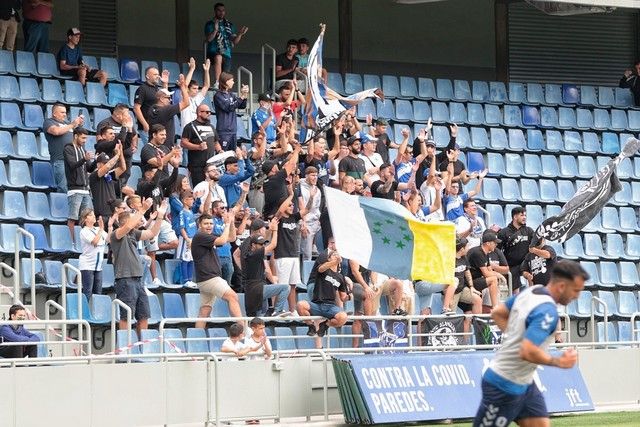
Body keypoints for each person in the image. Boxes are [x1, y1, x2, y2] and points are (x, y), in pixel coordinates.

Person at [473, 261, 588, 427]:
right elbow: (527, 351)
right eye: (576, 290)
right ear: (562, 286)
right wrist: (558, 362)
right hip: (504, 385)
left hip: (525, 384)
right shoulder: (547, 312)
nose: (577, 296)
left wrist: (514, 337)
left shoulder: (532, 291)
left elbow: (498, 313)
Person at [110, 199, 168, 333]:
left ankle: (142, 347)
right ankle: (125, 347)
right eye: (134, 218)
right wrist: (142, 209)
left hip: (138, 280)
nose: (139, 220)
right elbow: (128, 226)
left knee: (144, 315)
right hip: (125, 279)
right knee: (126, 316)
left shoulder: (133, 233)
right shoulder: (116, 234)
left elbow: (152, 233)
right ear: (125, 221)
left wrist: (160, 216)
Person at [191, 213, 242, 329]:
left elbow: (231, 238)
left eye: (211, 223)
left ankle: (196, 339)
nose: (209, 226)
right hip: (210, 278)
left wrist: (232, 222)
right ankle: (243, 330)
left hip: (205, 280)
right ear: (199, 225)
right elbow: (223, 241)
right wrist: (227, 223)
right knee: (233, 296)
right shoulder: (200, 236)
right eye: (206, 223)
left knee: (205, 310)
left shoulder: (208, 236)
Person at [239, 219, 290, 317]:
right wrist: (274, 230)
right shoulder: (254, 254)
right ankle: (278, 310)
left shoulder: (248, 246)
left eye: (263, 244)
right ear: (254, 245)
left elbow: (236, 254)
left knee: (258, 319)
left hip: (253, 289)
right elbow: (273, 245)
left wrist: (244, 269)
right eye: (260, 244)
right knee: (285, 287)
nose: (262, 246)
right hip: (256, 289)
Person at [297, 249, 349, 337]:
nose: (336, 256)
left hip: (330, 306)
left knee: (343, 317)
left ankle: (325, 325)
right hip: (317, 304)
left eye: (337, 255)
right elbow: (321, 269)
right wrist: (334, 261)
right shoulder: (323, 269)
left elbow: (343, 297)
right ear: (328, 259)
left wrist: (349, 296)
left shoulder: (340, 277)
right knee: (300, 305)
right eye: (333, 255)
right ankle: (311, 325)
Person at [275, 193, 309, 313]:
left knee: (293, 285)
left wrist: (312, 197)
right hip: (282, 256)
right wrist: (290, 195)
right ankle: (277, 310)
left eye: (293, 205)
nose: (292, 207)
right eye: (289, 205)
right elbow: (280, 211)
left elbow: (307, 210)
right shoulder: (278, 219)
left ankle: (292, 310)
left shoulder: (294, 217)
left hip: (294, 255)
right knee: (282, 286)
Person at [204, 2, 248, 86]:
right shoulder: (210, 24)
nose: (221, 12)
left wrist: (240, 34)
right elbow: (209, 39)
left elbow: (234, 41)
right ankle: (217, 83)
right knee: (218, 57)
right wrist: (215, 30)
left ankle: (222, 87)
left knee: (225, 75)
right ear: (215, 11)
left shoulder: (229, 25)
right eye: (219, 10)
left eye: (223, 10)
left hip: (227, 52)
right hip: (213, 52)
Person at [44, 103, 85, 193]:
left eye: (65, 112)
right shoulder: (49, 122)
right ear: (54, 113)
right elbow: (56, 131)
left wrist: (79, 126)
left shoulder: (67, 124)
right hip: (60, 160)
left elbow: (78, 139)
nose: (65, 114)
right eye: (62, 112)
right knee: (63, 188)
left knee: (75, 189)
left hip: (74, 162)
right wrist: (73, 124)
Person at [95, 104, 138, 190]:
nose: (129, 116)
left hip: (126, 157)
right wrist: (124, 127)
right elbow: (101, 141)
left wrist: (135, 145)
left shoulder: (127, 123)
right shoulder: (105, 123)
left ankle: (119, 198)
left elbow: (134, 136)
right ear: (118, 115)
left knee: (122, 183)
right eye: (126, 114)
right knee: (111, 182)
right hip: (112, 158)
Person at [63, 127, 93, 246]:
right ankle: (72, 243)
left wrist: (95, 160)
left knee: (88, 218)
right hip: (74, 189)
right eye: (83, 137)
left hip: (86, 190)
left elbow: (89, 167)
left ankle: (86, 243)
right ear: (75, 136)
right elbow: (72, 165)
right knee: (73, 218)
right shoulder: (68, 148)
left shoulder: (82, 149)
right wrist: (84, 159)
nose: (85, 140)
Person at [498, 206, 536, 294]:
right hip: (511, 265)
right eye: (522, 215)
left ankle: (533, 297)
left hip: (526, 263)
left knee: (535, 273)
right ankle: (515, 303)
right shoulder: (504, 232)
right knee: (513, 281)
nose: (524, 218)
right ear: (515, 217)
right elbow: (498, 250)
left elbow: (536, 245)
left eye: (525, 215)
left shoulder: (529, 231)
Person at [147, 74, 190, 148]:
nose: (170, 100)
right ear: (161, 99)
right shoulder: (166, 110)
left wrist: (165, 84)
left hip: (152, 146)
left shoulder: (152, 109)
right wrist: (182, 87)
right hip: (165, 148)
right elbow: (186, 103)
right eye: (168, 98)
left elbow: (162, 95)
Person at [181, 103, 219, 187]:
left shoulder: (212, 126)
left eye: (210, 112)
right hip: (197, 166)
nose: (209, 114)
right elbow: (183, 143)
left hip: (210, 165)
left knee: (211, 188)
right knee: (199, 189)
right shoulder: (190, 126)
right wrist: (198, 147)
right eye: (207, 112)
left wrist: (220, 151)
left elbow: (216, 142)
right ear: (199, 113)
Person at [262, 142, 301, 219]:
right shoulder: (276, 178)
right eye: (275, 165)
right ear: (273, 168)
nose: (277, 166)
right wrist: (296, 151)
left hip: (270, 215)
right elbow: (292, 164)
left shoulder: (267, 181)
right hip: (277, 216)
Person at [89, 146, 127, 225]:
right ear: (98, 164)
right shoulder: (94, 175)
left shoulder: (109, 174)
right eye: (105, 162)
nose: (108, 164)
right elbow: (108, 166)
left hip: (113, 214)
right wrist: (117, 156)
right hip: (102, 215)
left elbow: (123, 168)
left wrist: (121, 153)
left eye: (107, 162)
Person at [213, 72, 249, 151]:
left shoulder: (231, 94)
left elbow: (242, 106)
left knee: (232, 155)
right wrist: (242, 96)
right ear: (226, 81)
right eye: (231, 80)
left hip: (233, 130)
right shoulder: (218, 95)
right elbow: (229, 107)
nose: (233, 82)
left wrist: (245, 94)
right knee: (223, 154)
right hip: (223, 130)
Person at [78, 209, 108, 300]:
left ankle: (96, 313)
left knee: (98, 293)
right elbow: (95, 241)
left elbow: (109, 239)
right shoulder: (84, 231)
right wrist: (101, 229)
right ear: (85, 219)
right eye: (91, 215)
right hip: (87, 265)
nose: (94, 216)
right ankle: (84, 313)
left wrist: (110, 227)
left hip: (98, 266)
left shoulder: (98, 229)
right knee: (87, 291)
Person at [133, 66, 170, 142]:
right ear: (147, 76)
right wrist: (145, 124)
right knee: (151, 151)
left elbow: (165, 97)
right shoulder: (142, 89)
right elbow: (136, 108)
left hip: (157, 127)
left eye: (158, 74)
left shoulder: (156, 88)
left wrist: (165, 83)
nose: (158, 76)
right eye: (155, 74)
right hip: (148, 128)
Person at [467, 231, 501, 309]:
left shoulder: (486, 253)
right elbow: (486, 274)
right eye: (494, 243)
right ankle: (495, 306)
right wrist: (499, 275)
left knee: (494, 279)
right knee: (493, 279)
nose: (496, 245)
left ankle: (494, 306)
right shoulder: (478, 253)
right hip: (469, 282)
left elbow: (490, 270)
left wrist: (499, 275)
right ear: (488, 243)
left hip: (477, 279)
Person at [298, 166, 323, 260]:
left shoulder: (317, 190)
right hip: (304, 222)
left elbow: (316, 208)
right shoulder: (300, 187)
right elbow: (300, 207)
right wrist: (302, 222)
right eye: (313, 175)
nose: (315, 177)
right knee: (305, 253)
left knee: (315, 253)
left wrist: (319, 220)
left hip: (315, 223)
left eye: (316, 175)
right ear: (306, 176)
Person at [180, 57, 211, 129]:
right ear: (188, 89)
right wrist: (192, 69)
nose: (197, 90)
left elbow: (206, 86)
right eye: (194, 88)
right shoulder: (184, 97)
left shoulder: (197, 98)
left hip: (197, 129)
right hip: (186, 130)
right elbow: (185, 85)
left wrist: (206, 71)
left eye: (197, 88)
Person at [177, 190, 198, 288]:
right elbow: (182, 227)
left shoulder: (190, 212)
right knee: (185, 259)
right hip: (186, 239)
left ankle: (190, 279)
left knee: (191, 259)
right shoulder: (182, 212)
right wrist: (187, 239)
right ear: (185, 201)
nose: (192, 201)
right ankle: (185, 280)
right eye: (191, 199)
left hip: (193, 238)